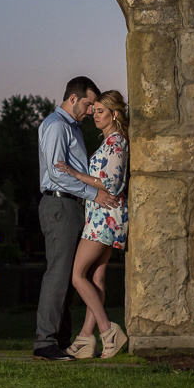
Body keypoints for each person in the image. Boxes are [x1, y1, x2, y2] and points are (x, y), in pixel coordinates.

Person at [33, 77, 121, 362]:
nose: (89, 111)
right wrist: (92, 194)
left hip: (73, 206)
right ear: (73, 99)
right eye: (86, 104)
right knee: (59, 274)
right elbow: (58, 174)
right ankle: (45, 343)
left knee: (71, 277)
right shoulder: (57, 126)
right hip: (60, 204)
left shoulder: (71, 128)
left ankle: (62, 340)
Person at [54, 90, 130, 359]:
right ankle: (86, 338)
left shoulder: (117, 142)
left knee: (77, 276)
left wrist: (76, 174)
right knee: (95, 278)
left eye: (101, 111)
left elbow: (111, 184)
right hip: (101, 215)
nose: (94, 115)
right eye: (94, 110)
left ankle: (108, 331)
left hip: (104, 218)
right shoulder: (109, 141)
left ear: (115, 114)